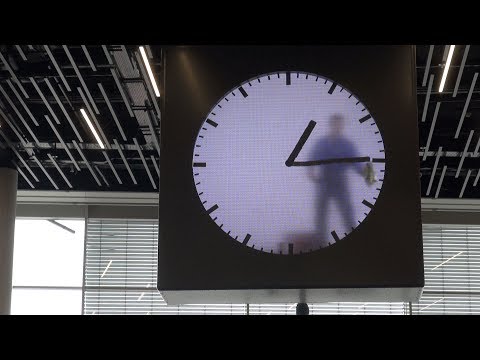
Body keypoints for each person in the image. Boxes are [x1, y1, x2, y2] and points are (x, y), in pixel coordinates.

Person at [309, 114, 375, 246]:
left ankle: (354, 243)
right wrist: (311, 173)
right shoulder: (321, 143)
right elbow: (312, 159)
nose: (338, 127)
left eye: (340, 125)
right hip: (325, 181)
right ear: (331, 125)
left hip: (340, 181)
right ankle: (320, 244)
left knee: (347, 212)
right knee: (321, 213)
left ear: (342, 126)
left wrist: (371, 177)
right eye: (335, 124)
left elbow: (356, 163)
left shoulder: (347, 144)